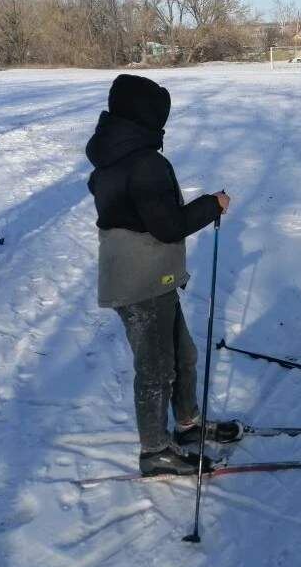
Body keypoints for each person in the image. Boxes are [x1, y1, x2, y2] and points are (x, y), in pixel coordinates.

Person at [86, 74, 241, 477]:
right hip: (140, 280)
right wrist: (211, 205)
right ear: (145, 115)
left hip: (151, 276)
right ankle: (155, 451)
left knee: (182, 355)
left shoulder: (112, 154)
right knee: (156, 367)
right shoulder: (144, 162)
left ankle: (187, 425)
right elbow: (168, 226)